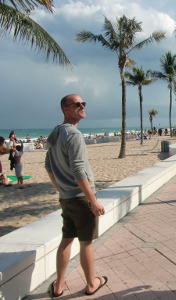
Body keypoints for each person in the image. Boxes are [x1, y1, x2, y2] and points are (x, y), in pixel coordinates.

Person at [45, 94, 107, 297]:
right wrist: (93, 200)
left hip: (66, 198)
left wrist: (61, 189)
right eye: (77, 104)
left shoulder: (55, 133)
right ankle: (91, 284)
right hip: (80, 198)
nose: (82, 106)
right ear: (65, 109)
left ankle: (58, 286)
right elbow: (79, 170)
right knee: (86, 242)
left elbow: (49, 166)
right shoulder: (74, 134)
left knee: (67, 239)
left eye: (83, 103)